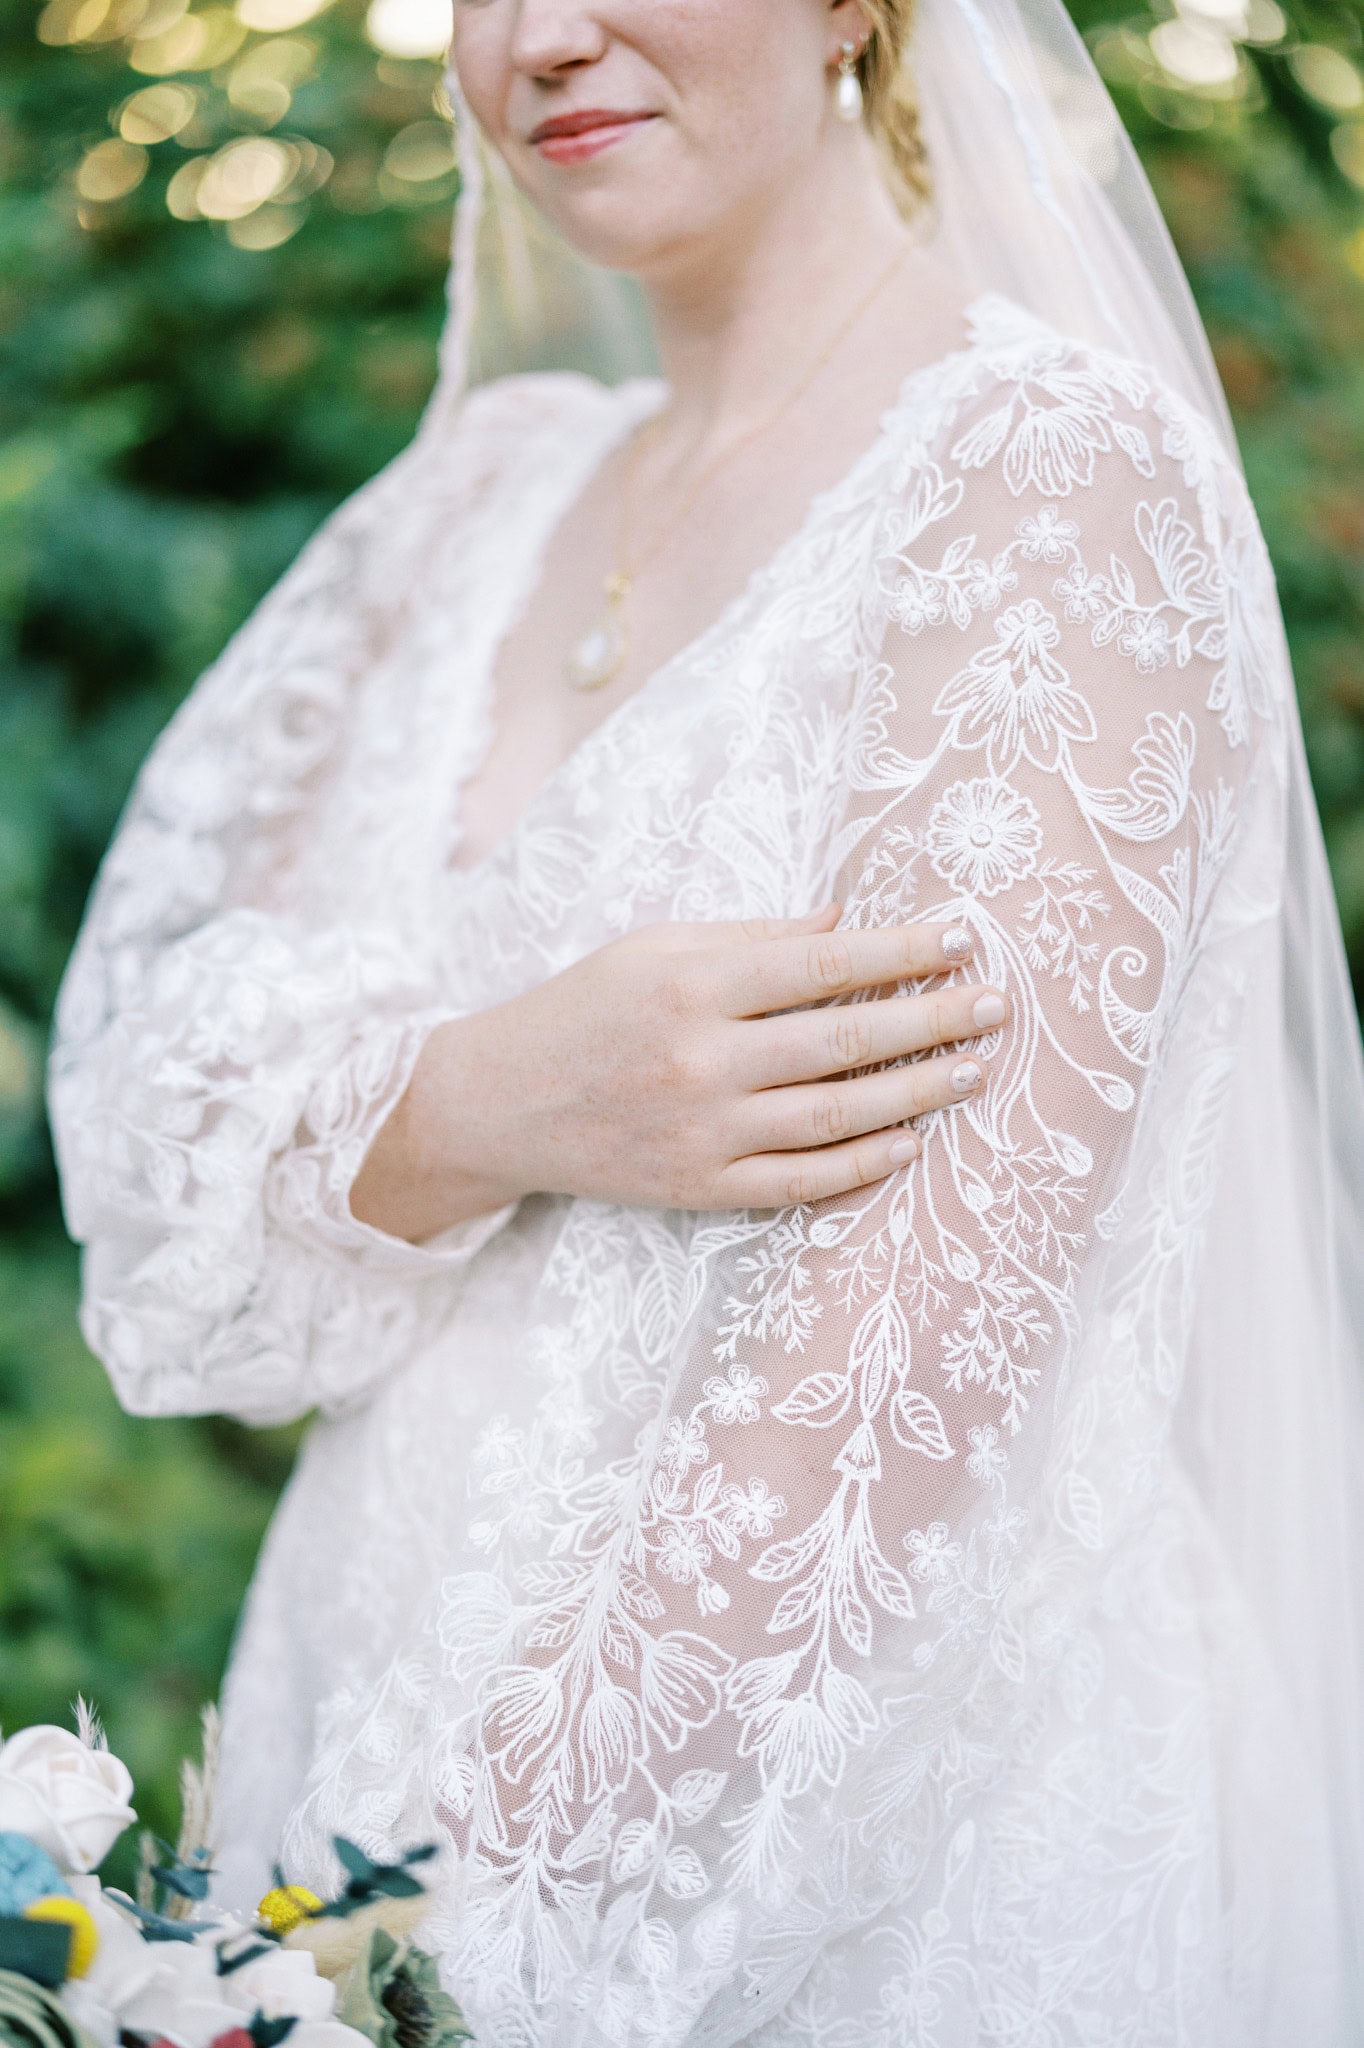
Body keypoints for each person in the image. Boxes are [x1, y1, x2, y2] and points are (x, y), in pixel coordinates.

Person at [48, 0, 1364, 2038]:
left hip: (835, 1846)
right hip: (347, 1734)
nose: (542, 38)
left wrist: (401, 1967)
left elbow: (888, 1425)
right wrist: (486, 1092)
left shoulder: (1044, 495)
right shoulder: (461, 509)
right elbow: (151, 1169)